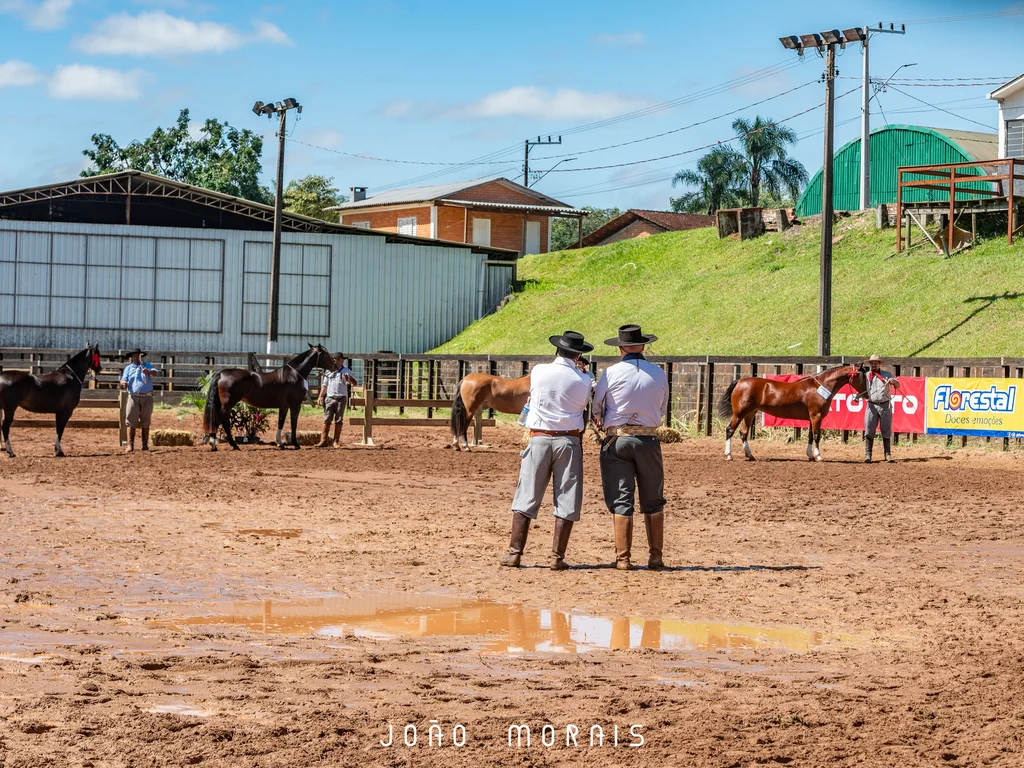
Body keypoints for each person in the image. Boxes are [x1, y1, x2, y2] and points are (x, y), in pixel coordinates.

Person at [501, 330, 594, 571]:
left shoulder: (539, 371)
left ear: (557, 350)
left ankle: (514, 553)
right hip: (568, 440)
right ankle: (556, 557)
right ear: (578, 355)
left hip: (539, 438)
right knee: (567, 496)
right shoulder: (583, 380)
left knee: (527, 494)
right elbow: (583, 404)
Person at [592, 324, 669, 571]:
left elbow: (597, 407)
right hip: (648, 439)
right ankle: (655, 557)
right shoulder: (658, 373)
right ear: (643, 345)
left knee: (621, 497)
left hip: (617, 438)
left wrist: (602, 421)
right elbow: (663, 408)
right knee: (653, 498)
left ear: (620, 348)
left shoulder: (611, 373)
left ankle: (623, 558)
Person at [852, 353, 901, 463]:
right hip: (871, 404)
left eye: (875, 363)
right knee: (869, 429)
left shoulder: (887, 374)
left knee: (886, 430)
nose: (873, 365)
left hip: (885, 404)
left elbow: (898, 385)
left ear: (879, 364)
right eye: (872, 363)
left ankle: (887, 454)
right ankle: (868, 454)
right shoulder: (866, 376)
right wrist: (857, 396)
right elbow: (862, 389)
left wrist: (893, 381)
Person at [119, 347, 159, 453]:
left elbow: (155, 372)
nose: (136, 358)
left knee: (146, 420)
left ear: (141, 357)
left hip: (147, 396)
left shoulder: (147, 366)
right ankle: (130, 445)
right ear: (132, 357)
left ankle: (144, 445)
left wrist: (149, 372)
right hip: (133, 396)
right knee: (130, 421)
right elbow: (123, 379)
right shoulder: (128, 368)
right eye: (135, 356)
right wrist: (124, 383)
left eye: (138, 356)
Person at [316, 354, 357, 448]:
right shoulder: (328, 372)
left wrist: (349, 379)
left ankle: (335, 441)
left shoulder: (347, 371)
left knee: (339, 420)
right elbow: (325, 385)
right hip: (329, 397)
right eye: (334, 359)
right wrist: (320, 396)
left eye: (337, 359)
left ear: (342, 360)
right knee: (327, 419)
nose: (335, 361)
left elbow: (355, 383)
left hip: (341, 398)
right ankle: (323, 440)